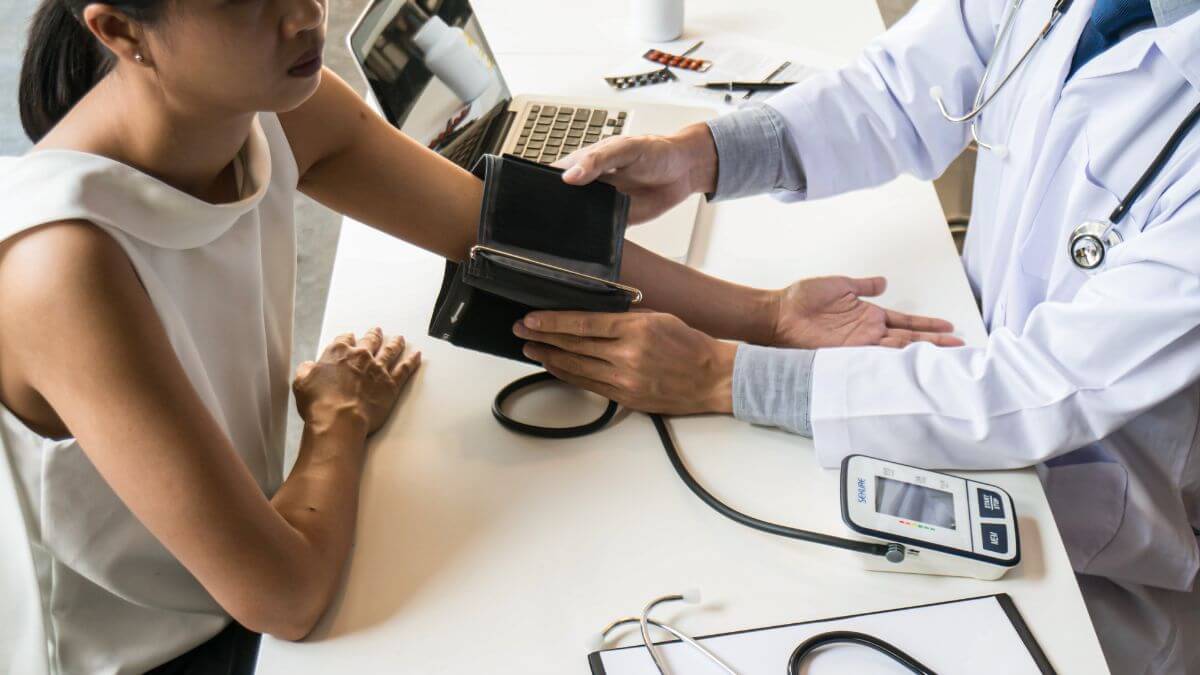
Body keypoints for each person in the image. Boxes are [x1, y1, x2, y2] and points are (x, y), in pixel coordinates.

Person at [0, 1, 963, 672]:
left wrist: (765, 316)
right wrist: (337, 420)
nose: (302, 18)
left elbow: (502, 233)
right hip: (165, 645)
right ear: (122, 32)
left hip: (262, 535)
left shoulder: (277, 110)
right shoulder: (64, 263)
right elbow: (282, 596)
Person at [517, 0, 1200, 671]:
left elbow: (1044, 385)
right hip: (951, 386)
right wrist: (700, 157)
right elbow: (898, 90)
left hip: (1087, 560)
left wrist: (724, 377)